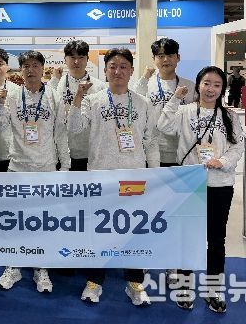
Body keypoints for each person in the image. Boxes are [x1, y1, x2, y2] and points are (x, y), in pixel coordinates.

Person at [69, 48, 159, 307]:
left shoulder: (142, 103)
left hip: (134, 177)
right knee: (99, 230)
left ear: (131, 71)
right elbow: (75, 129)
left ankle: (134, 281)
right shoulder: (93, 100)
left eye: (123, 66)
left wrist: (154, 174)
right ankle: (94, 281)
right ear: (105, 70)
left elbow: (151, 141)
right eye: (112, 66)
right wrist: (78, 98)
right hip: (101, 177)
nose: (118, 71)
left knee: (134, 230)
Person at [157, 66, 244, 313]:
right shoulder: (185, 111)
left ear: (222, 89)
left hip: (220, 184)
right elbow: (163, 126)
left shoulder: (229, 116)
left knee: (216, 239)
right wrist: (175, 99)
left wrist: (222, 161)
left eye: (217, 85)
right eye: (206, 83)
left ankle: (214, 290)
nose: (211, 89)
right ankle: (184, 288)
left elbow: (237, 147)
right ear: (198, 85)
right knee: (187, 237)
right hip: (189, 183)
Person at [0, 50, 70, 294]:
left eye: (35, 65)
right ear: (20, 70)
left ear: (42, 68)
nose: (30, 70)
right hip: (17, 168)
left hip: (46, 168)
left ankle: (41, 267)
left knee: (42, 221)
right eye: (26, 66)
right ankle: (14, 265)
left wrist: (65, 165)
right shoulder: (12, 96)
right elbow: (0, 127)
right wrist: (0, 105)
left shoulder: (54, 96)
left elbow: (61, 133)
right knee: (15, 220)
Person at [134, 38, 196, 167]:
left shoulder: (189, 86)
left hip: (181, 149)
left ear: (178, 57)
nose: (166, 60)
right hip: (152, 150)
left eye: (170, 55)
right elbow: (134, 105)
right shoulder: (146, 84)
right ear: (154, 59)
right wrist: (145, 77)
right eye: (161, 56)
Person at [49, 40, 106, 171]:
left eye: (81, 57)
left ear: (87, 59)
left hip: (90, 151)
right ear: (65, 59)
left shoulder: (99, 86)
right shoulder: (57, 84)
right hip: (62, 150)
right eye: (72, 57)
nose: (76, 62)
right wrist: (54, 80)